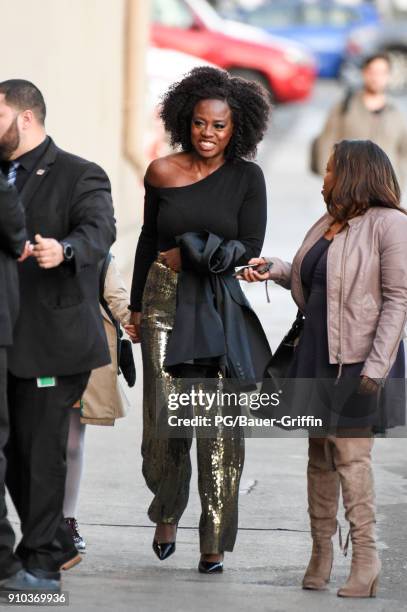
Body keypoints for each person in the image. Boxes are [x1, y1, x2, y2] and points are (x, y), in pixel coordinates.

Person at [242, 139, 407, 598]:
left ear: (353, 172)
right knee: (320, 456)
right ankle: (321, 552)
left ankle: (367, 559)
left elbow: (398, 301)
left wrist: (375, 368)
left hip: (360, 357)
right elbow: (311, 277)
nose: (325, 176)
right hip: (317, 351)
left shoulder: (391, 225)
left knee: (352, 457)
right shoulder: (328, 222)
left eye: (331, 169)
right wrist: (273, 268)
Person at [129, 67, 271, 574]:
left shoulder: (247, 179)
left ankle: (213, 538)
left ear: (237, 129)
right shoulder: (161, 172)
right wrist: (137, 307)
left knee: (219, 425)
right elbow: (149, 240)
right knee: (163, 419)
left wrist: (191, 253)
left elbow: (248, 249)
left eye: (219, 126)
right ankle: (166, 510)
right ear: (184, 122)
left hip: (217, 300)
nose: (207, 134)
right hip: (163, 301)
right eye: (199, 124)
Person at [0, 79, 116, 592]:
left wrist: (63, 251)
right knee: (11, 458)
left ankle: (42, 563)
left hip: (53, 341)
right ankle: (51, 544)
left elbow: (98, 232)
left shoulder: (78, 172)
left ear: (25, 117)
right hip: (5, 336)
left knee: (40, 453)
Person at [64, 254, 136, 551]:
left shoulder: (99, 256)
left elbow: (118, 299)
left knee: (70, 443)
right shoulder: (31, 247)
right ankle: (41, 520)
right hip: (38, 355)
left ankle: (66, 519)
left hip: (82, 361)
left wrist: (138, 322)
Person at [312, 54, 407, 186]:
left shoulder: (396, 113)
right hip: (349, 189)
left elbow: (403, 151)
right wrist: (331, 180)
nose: (376, 78)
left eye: (382, 73)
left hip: (386, 190)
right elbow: (326, 143)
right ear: (364, 73)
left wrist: (400, 181)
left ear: (388, 76)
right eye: (372, 72)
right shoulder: (345, 107)